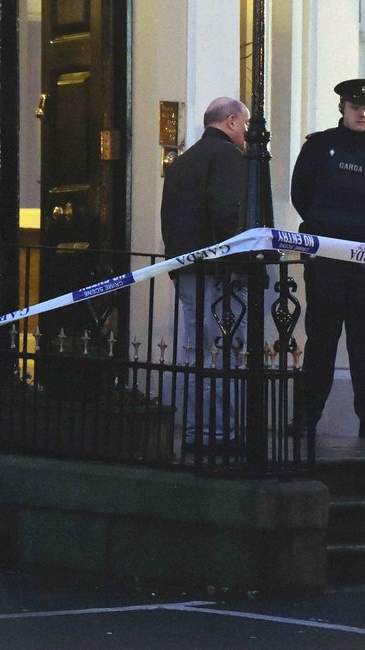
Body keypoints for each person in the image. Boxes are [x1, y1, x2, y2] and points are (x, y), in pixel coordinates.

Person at [291, 78, 365, 440]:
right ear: (342, 106)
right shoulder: (319, 147)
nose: (362, 113)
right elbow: (300, 194)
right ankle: (306, 418)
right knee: (322, 340)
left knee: (364, 343)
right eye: (356, 107)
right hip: (327, 256)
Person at [160, 96, 250, 447]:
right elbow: (229, 212)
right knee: (222, 351)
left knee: (195, 350)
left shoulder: (182, 162)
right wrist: (240, 260)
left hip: (186, 267)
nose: (247, 132)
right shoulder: (228, 156)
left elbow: (169, 218)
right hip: (218, 271)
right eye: (244, 124)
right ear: (230, 121)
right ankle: (220, 434)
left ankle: (196, 431)